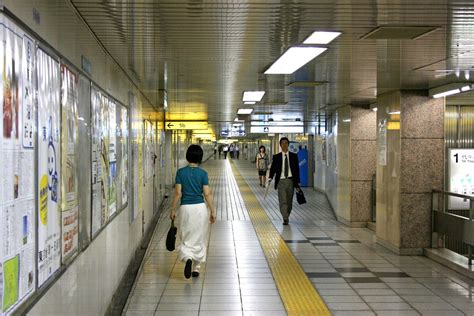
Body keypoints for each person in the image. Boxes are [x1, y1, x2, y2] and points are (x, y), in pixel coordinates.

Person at [170, 144, 217, 278]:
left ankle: (188, 258)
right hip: (200, 208)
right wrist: (212, 211)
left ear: (187, 156)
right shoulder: (203, 173)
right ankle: (196, 267)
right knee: (200, 236)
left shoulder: (180, 172)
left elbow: (178, 193)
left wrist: (173, 209)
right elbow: (207, 194)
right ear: (200, 158)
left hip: (185, 208)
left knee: (186, 235)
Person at [269, 137, 301, 225]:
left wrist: (297, 184)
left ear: (288, 145)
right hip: (281, 181)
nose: (284, 145)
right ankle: (285, 218)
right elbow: (273, 168)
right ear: (280, 145)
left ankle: (287, 214)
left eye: (286, 143)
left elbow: (296, 170)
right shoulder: (276, 157)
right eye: (282, 143)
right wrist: (270, 177)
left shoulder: (294, 156)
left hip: (291, 181)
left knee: (289, 201)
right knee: (283, 200)